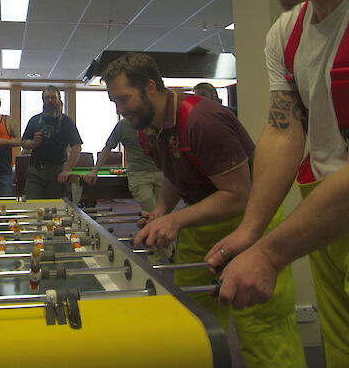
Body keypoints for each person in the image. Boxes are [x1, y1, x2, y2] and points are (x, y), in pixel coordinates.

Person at [204, 0, 349, 366]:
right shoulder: (286, 34)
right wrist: (252, 229)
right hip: (327, 214)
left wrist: (269, 254)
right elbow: (284, 131)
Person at [102, 52, 306, 368]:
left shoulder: (203, 121)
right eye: (114, 101)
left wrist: (176, 219)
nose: (120, 109)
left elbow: (238, 195)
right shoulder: (147, 129)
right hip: (202, 224)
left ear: (151, 87)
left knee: (260, 326)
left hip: (251, 222)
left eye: (124, 99)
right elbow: (174, 171)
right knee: (195, 319)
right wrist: (160, 211)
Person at [83, 119, 162, 211]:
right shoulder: (123, 125)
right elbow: (107, 148)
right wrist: (94, 171)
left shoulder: (157, 120)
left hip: (161, 173)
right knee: (152, 209)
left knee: (161, 211)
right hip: (139, 174)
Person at [21, 86, 82, 199]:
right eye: (47, 97)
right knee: (32, 206)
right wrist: (33, 143)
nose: (50, 100)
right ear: (43, 100)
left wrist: (67, 170)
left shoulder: (66, 121)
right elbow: (24, 142)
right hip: (35, 171)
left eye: (53, 97)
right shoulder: (34, 120)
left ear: (59, 100)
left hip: (56, 172)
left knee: (53, 209)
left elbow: (77, 147)